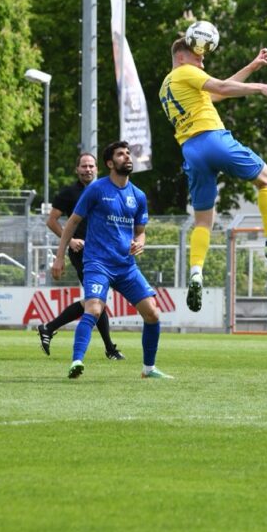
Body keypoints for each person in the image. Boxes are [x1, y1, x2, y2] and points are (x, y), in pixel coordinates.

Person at [159, 35, 267, 313]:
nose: (202, 60)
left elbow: (219, 93)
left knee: (203, 221)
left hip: (190, 150)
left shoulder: (168, 86)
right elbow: (222, 86)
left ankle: (196, 273)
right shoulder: (186, 72)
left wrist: (252, 66)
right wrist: (262, 87)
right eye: (197, 55)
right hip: (213, 139)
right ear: (180, 57)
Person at [50, 141, 171, 380]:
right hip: (98, 263)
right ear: (109, 163)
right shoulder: (96, 190)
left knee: (153, 314)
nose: (127, 157)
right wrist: (59, 257)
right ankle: (76, 361)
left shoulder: (138, 195)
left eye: (128, 154)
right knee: (94, 308)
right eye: (120, 154)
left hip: (125, 266)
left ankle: (148, 369)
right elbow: (72, 222)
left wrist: (141, 241)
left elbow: (141, 230)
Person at [36, 152, 124, 360]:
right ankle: (110, 349)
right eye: (84, 166)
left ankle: (49, 327)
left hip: (103, 252)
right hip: (82, 253)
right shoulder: (68, 193)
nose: (88, 169)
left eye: (91, 166)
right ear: (77, 169)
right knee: (96, 300)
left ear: (97, 169)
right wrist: (71, 240)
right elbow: (52, 221)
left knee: (95, 301)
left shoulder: (104, 190)